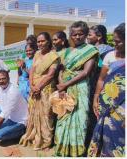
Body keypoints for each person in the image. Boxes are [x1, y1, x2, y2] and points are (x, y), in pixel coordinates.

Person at [54, 21, 99, 157]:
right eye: (74, 34)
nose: (77, 37)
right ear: (70, 36)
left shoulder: (90, 51)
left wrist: (65, 85)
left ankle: (76, 152)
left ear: (85, 35)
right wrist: (61, 86)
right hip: (65, 88)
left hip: (80, 88)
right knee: (63, 117)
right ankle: (62, 150)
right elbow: (61, 70)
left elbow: (85, 72)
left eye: (81, 34)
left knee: (79, 118)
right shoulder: (67, 51)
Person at [88, 23, 125, 157]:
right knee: (106, 133)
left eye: (118, 42)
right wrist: (96, 97)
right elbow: (101, 79)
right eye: (114, 41)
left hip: (123, 107)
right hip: (107, 105)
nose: (115, 45)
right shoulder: (110, 56)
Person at [19, 32, 59, 150]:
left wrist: (38, 87)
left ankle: (46, 141)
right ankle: (35, 136)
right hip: (34, 88)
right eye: (38, 41)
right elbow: (32, 70)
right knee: (33, 113)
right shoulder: (36, 54)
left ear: (48, 41)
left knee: (46, 115)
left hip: (46, 89)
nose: (40, 43)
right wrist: (31, 85)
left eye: (43, 41)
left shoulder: (54, 56)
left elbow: (51, 75)